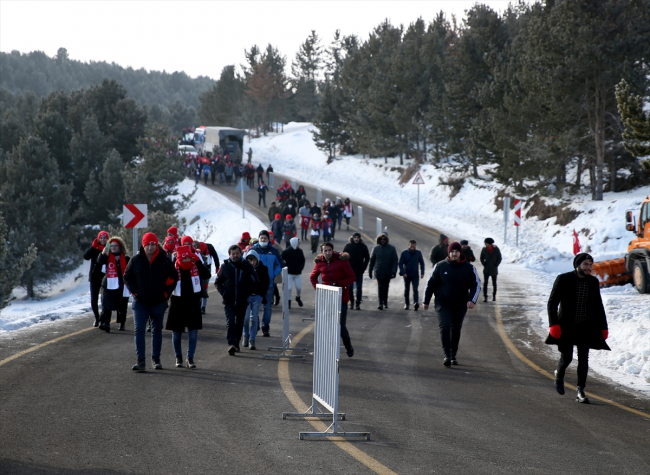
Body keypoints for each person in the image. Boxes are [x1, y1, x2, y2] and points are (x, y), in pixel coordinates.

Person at [545, 253, 610, 404]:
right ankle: (559, 374)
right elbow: (552, 303)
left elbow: (598, 306)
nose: (589, 268)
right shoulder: (563, 279)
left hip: (585, 327)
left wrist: (603, 327)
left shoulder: (593, 282)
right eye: (586, 264)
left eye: (591, 265)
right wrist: (553, 324)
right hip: (566, 326)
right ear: (578, 265)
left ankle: (581, 390)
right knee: (567, 357)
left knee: (584, 359)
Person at [123, 233, 178, 371]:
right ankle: (140, 361)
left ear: (156, 244)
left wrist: (166, 294)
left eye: (153, 244)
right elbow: (127, 277)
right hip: (140, 302)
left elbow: (173, 277)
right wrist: (135, 292)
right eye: (148, 244)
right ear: (143, 245)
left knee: (156, 331)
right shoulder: (136, 260)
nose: (151, 247)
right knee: (139, 330)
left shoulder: (164, 260)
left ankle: (156, 359)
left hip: (158, 302)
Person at [423, 242, 481, 366]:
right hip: (443, 303)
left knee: (455, 329)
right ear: (449, 253)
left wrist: (472, 300)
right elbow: (430, 283)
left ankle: (453, 355)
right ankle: (447, 356)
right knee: (445, 327)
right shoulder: (440, 266)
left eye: (456, 252)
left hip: (460, 304)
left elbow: (476, 284)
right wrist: (426, 300)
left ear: (460, 253)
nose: (454, 254)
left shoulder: (469, 268)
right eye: (452, 252)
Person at [166, 245, 211, 369]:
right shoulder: (174, 268)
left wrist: (197, 261)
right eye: (183, 259)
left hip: (193, 303)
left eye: (188, 259)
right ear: (179, 259)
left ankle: (190, 358)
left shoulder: (195, 266)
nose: (186, 262)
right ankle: (178, 357)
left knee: (193, 333)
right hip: (177, 304)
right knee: (176, 334)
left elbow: (207, 274)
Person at [310, 242, 356, 357]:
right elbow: (313, 277)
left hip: (341, 298)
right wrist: (319, 289)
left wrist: (339, 284)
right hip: (327, 298)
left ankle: (348, 347)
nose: (327, 253)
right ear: (322, 252)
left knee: (340, 326)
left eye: (329, 250)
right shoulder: (320, 262)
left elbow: (352, 277)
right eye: (325, 250)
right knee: (328, 326)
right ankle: (329, 350)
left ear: (333, 250)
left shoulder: (342, 260)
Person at [215, 245, 260, 355]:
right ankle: (231, 344)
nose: (235, 255)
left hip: (242, 301)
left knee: (239, 323)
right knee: (230, 322)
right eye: (233, 254)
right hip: (228, 301)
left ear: (241, 253)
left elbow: (256, 282)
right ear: (229, 255)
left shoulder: (247, 266)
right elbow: (217, 282)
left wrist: (245, 292)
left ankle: (236, 343)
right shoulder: (225, 266)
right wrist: (224, 293)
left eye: (237, 253)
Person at [250, 230, 284, 337]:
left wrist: (273, 274)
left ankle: (265, 327)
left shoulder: (273, 251)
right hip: (254, 283)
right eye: (261, 238)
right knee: (254, 305)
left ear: (269, 239)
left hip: (269, 283)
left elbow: (280, 264)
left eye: (265, 238)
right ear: (258, 239)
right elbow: (246, 263)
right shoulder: (253, 250)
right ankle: (256, 325)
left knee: (267, 306)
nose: (263, 240)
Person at [96, 236, 130, 332]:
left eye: (116, 246)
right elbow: (99, 261)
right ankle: (106, 323)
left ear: (120, 247)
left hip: (121, 284)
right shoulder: (106, 257)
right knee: (106, 303)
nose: (113, 248)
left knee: (122, 305)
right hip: (108, 284)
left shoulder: (126, 258)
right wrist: (103, 252)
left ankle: (122, 322)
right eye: (111, 246)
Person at [242, 250, 269, 350]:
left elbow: (266, 282)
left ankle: (252, 340)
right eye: (249, 260)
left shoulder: (263, 269)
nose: (252, 262)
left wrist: (262, 294)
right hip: (247, 297)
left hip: (257, 297)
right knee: (246, 318)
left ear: (257, 259)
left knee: (254, 318)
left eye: (253, 260)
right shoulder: (244, 269)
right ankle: (245, 335)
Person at [83, 230, 109, 327]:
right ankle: (97, 317)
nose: (103, 240)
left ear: (107, 239)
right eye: (101, 238)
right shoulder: (95, 248)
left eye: (104, 238)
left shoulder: (109, 248)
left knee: (104, 299)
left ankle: (103, 318)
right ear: (98, 239)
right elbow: (86, 256)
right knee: (94, 299)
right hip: (94, 277)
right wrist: (93, 247)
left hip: (105, 277)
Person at [368, 233, 398, 310]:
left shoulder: (391, 248)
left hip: (388, 271)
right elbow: (372, 260)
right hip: (379, 271)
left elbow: (395, 261)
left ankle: (385, 301)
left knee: (386, 286)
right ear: (379, 240)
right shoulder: (376, 249)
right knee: (380, 287)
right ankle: (380, 303)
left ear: (386, 240)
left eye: (384, 239)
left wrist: (394, 271)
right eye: (381, 239)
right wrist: (370, 271)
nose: (382, 240)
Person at [343, 232, 370, 310]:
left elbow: (367, 258)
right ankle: (351, 302)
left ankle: (358, 303)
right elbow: (343, 257)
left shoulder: (363, 247)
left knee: (359, 288)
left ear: (360, 238)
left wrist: (364, 267)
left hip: (359, 271)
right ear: (353, 238)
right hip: (350, 271)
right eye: (355, 237)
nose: (356, 239)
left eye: (358, 237)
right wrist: (345, 267)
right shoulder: (348, 246)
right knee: (350, 287)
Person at [398, 240, 425, 311]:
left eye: (414, 246)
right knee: (407, 289)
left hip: (415, 274)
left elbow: (422, 263)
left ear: (415, 246)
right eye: (411, 246)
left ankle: (415, 303)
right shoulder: (404, 253)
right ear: (408, 246)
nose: (412, 248)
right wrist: (403, 273)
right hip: (407, 274)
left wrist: (422, 272)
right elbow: (400, 263)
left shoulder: (418, 253)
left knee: (415, 289)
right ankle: (407, 304)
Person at [281, 237, 305, 308]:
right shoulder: (286, 252)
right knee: (289, 288)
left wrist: (301, 267)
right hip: (289, 273)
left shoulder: (300, 251)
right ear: (294, 243)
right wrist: (285, 266)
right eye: (298, 243)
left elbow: (303, 260)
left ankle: (298, 297)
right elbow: (281, 259)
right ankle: (288, 301)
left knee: (299, 287)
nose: (299, 244)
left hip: (298, 273)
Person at [480, 237, 502, 302]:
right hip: (486, 269)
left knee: (494, 283)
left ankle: (494, 296)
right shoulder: (484, 249)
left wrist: (496, 265)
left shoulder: (496, 249)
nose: (485, 244)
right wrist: (484, 263)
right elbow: (481, 258)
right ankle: (485, 297)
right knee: (485, 283)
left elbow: (499, 258)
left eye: (486, 243)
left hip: (494, 269)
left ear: (489, 244)